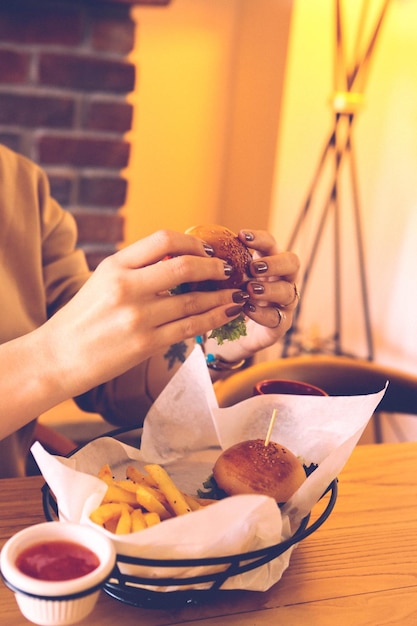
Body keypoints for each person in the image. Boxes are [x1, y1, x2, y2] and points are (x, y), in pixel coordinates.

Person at [0, 144, 300, 476]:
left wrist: (217, 338)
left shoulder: (21, 184)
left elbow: (106, 375)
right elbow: (68, 353)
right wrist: (53, 357)